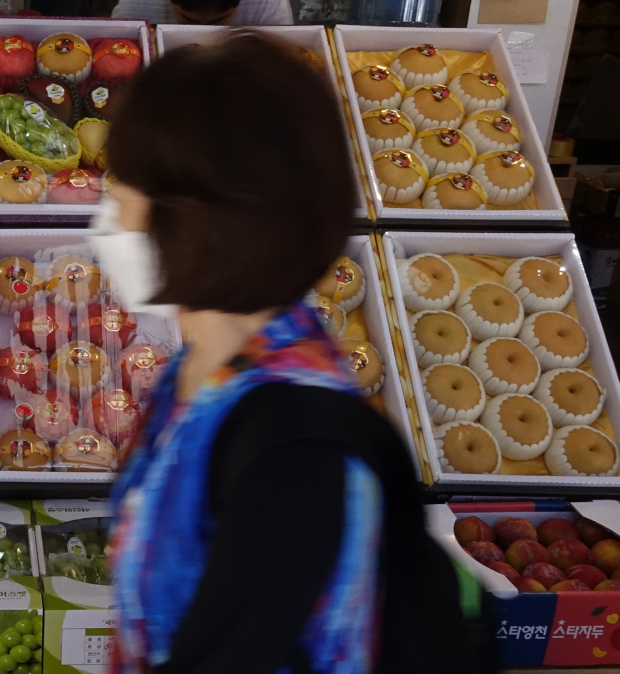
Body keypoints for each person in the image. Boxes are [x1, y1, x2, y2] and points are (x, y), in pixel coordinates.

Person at [91, 33, 497, 674]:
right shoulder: (202, 370)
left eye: (122, 191)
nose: (107, 215)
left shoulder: (297, 458)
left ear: (196, 220)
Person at [111, 0, 292, 28]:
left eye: (218, 21)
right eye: (189, 20)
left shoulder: (268, 5)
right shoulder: (134, 7)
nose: (201, 31)